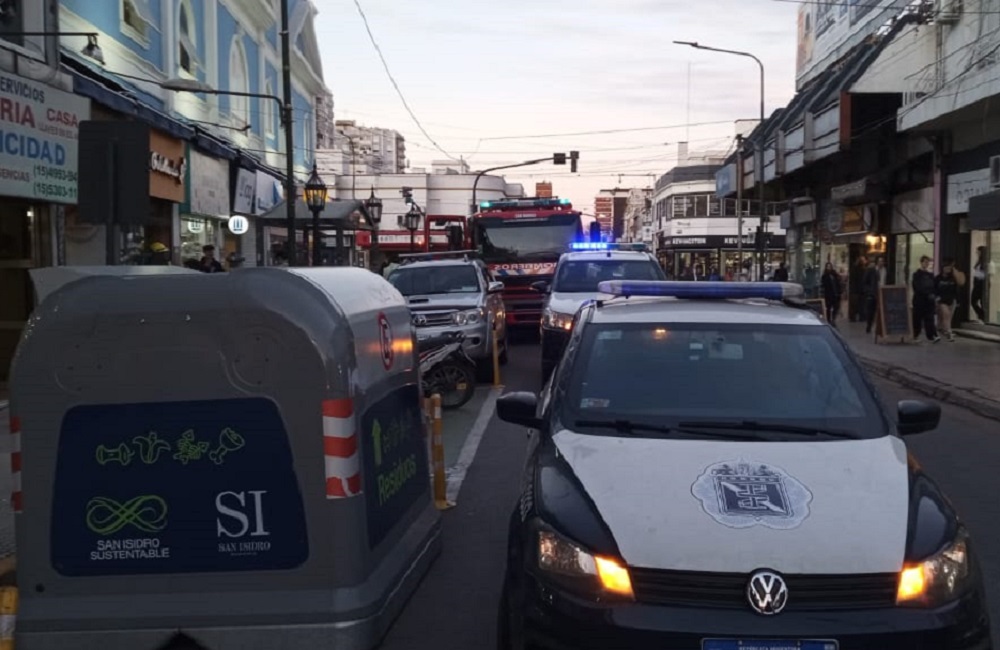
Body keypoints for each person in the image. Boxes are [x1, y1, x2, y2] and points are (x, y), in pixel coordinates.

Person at [934, 258, 965, 342]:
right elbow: (934, 289)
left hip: (951, 300)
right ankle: (949, 332)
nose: (948, 269)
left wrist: (957, 300)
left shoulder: (953, 278)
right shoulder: (938, 278)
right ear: (942, 268)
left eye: (949, 268)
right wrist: (936, 298)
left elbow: (959, 286)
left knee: (948, 317)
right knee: (946, 315)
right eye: (946, 268)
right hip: (941, 300)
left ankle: (942, 329)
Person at [911, 255, 939, 343]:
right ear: (921, 262)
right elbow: (916, 287)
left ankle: (932, 336)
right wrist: (926, 293)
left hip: (929, 301)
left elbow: (934, 286)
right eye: (925, 262)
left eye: (928, 262)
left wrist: (933, 295)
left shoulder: (930, 275)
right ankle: (915, 335)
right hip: (919, 300)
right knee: (917, 319)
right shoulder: (917, 274)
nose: (926, 264)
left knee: (929, 318)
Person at [862, 256, 885, 333]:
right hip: (872, 294)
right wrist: (869, 291)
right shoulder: (871, 270)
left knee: (881, 311)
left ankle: (881, 328)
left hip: (882, 293)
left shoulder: (885, 271)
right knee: (871, 311)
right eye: (879, 261)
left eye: (882, 261)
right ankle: (869, 326)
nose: (881, 263)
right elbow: (865, 282)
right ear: (877, 262)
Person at [971, 246, 990, 322]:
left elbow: (986, 274)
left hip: (981, 282)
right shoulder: (979, 261)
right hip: (976, 281)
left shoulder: (986, 262)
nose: (977, 253)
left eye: (978, 252)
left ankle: (983, 317)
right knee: (973, 301)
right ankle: (981, 315)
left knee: (982, 301)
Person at [821, 262, 842, 326]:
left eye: (830, 266)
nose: (829, 268)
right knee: (828, 307)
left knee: (836, 307)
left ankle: (833, 319)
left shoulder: (834, 274)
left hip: (835, 294)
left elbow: (838, 283)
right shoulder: (825, 276)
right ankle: (829, 320)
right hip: (828, 294)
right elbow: (824, 284)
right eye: (828, 266)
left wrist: (839, 291)